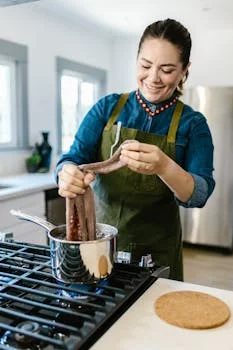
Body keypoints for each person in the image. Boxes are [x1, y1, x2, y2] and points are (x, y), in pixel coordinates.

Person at [55, 18, 215, 281]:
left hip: (158, 254)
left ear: (184, 71)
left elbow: (200, 194)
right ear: (136, 60)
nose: (153, 78)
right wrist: (66, 173)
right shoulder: (107, 108)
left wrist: (164, 166)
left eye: (167, 69)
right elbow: (73, 158)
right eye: (145, 65)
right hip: (99, 246)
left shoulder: (193, 124)